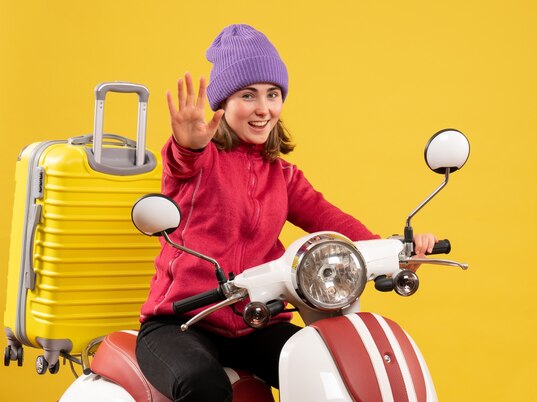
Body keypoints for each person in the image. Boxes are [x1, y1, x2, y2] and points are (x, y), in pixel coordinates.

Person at [135, 24, 438, 402]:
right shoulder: (201, 162)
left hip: (254, 323)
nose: (263, 109)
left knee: (332, 370)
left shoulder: (283, 176)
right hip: (181, 324)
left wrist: (397, 254)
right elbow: (179, 164)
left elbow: (336, 223)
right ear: (223, 104)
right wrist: (188, 144)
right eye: (248, 95)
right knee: (202, 383)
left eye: (273, 94)